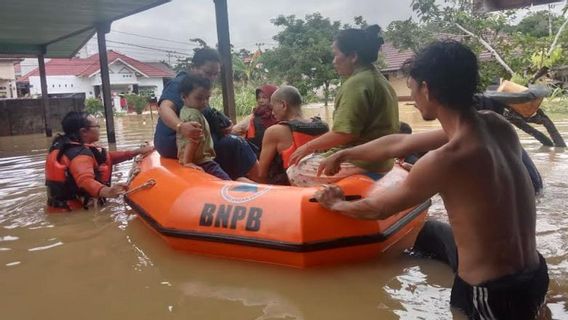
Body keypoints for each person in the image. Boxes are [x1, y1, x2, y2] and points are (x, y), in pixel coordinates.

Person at [315, 41, 548, 319]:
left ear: (427, 88)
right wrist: (346, 153)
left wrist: (336, 204)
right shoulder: (496, 126)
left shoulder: (444, 161)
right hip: (535, 274)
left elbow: (378, 208)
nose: (412, 96)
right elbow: (400, 143)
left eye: (412, 88)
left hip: (492, 292)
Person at [287, 25, 399, 186]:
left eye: (336, 55)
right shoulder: (380, 80)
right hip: (382, 159)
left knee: (294, 170)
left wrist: (307, 147)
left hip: (362, 161)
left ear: (353, 56)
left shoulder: (356, 84)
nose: (334, 61)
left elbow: (345, 133)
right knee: (311, 158)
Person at [154, 48, 259, 180]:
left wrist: (221, 127)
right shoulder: (182, 84)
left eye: (215, 74)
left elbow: (205, 114)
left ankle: (239, 178)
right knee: (237, 143)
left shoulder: (200, 89)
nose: (212, 78)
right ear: (193, 67)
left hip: (190, 142)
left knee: (235, 140)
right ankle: (264, 182)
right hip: (176, 144)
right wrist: (181, 127)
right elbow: (164, 108)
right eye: (208, 73)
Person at [45, 111, 153, 212]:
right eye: (97, 126)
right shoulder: (79, 155)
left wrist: (136, 152)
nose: (99, 129)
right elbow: (85, 181)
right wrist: (108, 191)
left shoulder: (68, 146)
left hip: (62, 210)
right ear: (84, 131)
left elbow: (106, 158)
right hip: (79, 213)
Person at [253, 85, 328, 185]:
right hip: (319, 183)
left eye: (272, 107)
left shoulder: (274, 131)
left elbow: (262, 173)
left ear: (283, 105)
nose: (272, 112)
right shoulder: (323, 126)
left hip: (288, 187)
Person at [177, 75, 231, 180]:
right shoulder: (193, 116)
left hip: (201, 159)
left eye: (207, 98)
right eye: (199, 98)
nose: (204, 102)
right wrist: (187, 162)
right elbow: (193, 140)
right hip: (202, 162)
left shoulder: (187, 110)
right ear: (184, 96)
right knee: (226, 183)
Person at [232, 84, 279, 155]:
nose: (261, 101)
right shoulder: (254, 116)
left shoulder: (280, 115)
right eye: (259, 98)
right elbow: (235, 130)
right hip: (256, 153)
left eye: (264, 97)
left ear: (272, 98)